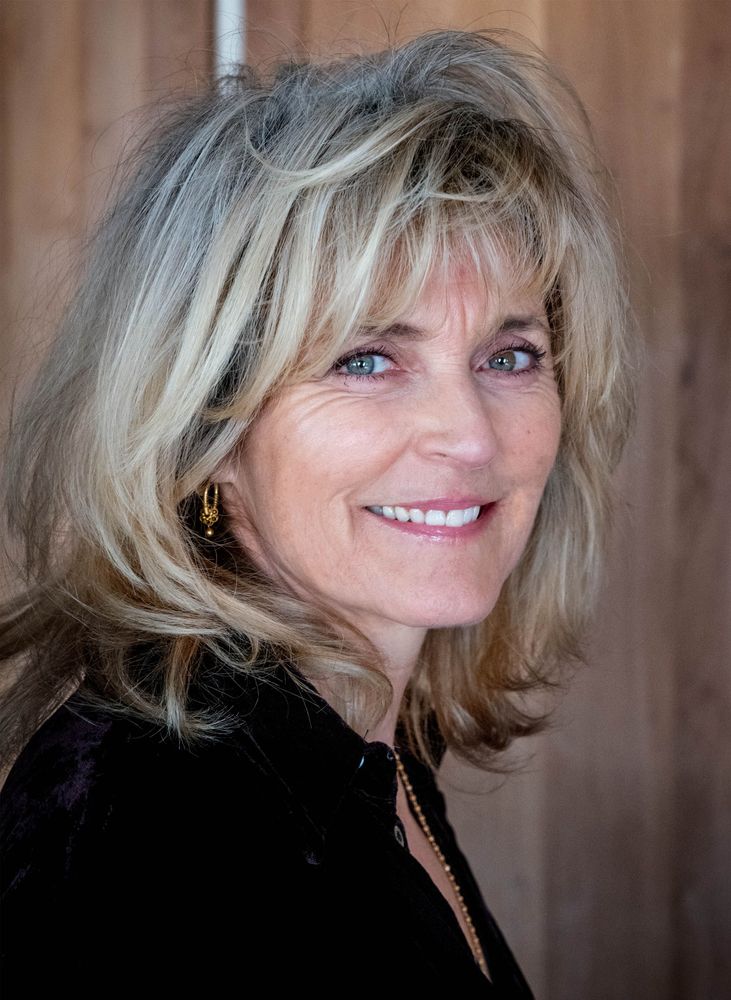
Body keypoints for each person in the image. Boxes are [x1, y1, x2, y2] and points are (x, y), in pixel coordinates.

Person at [0, 29, 633, 997]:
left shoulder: (351, 747)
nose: (469, 436)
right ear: (205, 428)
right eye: (365, 360)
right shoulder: (159, 843)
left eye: (508, 356)